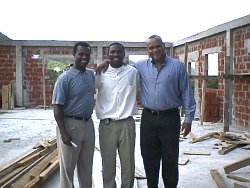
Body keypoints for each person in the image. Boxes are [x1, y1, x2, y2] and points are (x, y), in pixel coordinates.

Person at [96, 35, 196, 188]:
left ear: (163, 46)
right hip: (148, 118)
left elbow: (186, 92)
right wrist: (107, 62)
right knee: (149, 157)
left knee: (170, 158)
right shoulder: (140, 67)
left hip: (170, 118)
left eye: (157, 46)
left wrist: (188, 118)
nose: (154, 50)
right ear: (147, 50)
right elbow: (119, 65)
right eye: (151, 48)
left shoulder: (177, 66)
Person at [95, 42, 139, 188]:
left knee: (128, 163)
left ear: (124, 53)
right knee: (108, 163)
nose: (115, 55)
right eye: (112, 52)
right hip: (107, 125)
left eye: (119, 52)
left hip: (127, 124)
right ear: (108, 54)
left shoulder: (133, 72)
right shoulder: (100, 73)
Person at [52, 42, 95, 188]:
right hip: (70, 125)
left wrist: (106, 62)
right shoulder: (64, 78)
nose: (84, 57)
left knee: (87, 167)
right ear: (74, 55)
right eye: (81, 54)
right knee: (68, 169)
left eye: (87, 54)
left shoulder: (90, 75)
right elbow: (57, 106)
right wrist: (63, 132)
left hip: (88, 124)